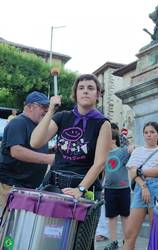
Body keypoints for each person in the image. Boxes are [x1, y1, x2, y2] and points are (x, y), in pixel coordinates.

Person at [30, 74, 111, 249]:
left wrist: (80, 189)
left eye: (90, 88)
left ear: (98, 95)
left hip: (84, 188)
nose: (85, 91)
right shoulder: (63, 117)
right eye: (81, 88)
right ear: (75, 93)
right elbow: (35, 142)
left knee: (79, 244)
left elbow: (99, 163)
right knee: (49, 240)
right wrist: (51, 110)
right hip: (54, 185)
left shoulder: (102, 123)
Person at [0, 91, 54, 210]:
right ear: (30, 107)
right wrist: (48, 159)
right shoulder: (19, 122)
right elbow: (16, 151)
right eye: (43, 107)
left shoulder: (38, 126)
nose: (46, 111)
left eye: (48, 107)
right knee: (8, 225)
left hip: (24, 188)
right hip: (10, 187)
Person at [123, 122, 158, 250]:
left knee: (156, 233)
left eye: (152, 132)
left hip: (157, 188)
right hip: (141, 188)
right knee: (129, 233)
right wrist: (143, 186)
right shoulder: (137, 151)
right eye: (146, 132)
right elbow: (131, 172)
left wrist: (139, 172)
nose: (148, 135)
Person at [103, 129, 134, 250]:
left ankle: (126, 240)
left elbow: (133, 148)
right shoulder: (104, 153)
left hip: (123, 188)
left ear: (113, 139)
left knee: (125, 215)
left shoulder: (122, 151)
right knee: (111, 216)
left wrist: (129, 144)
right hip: (109, 189)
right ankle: (113, 242)